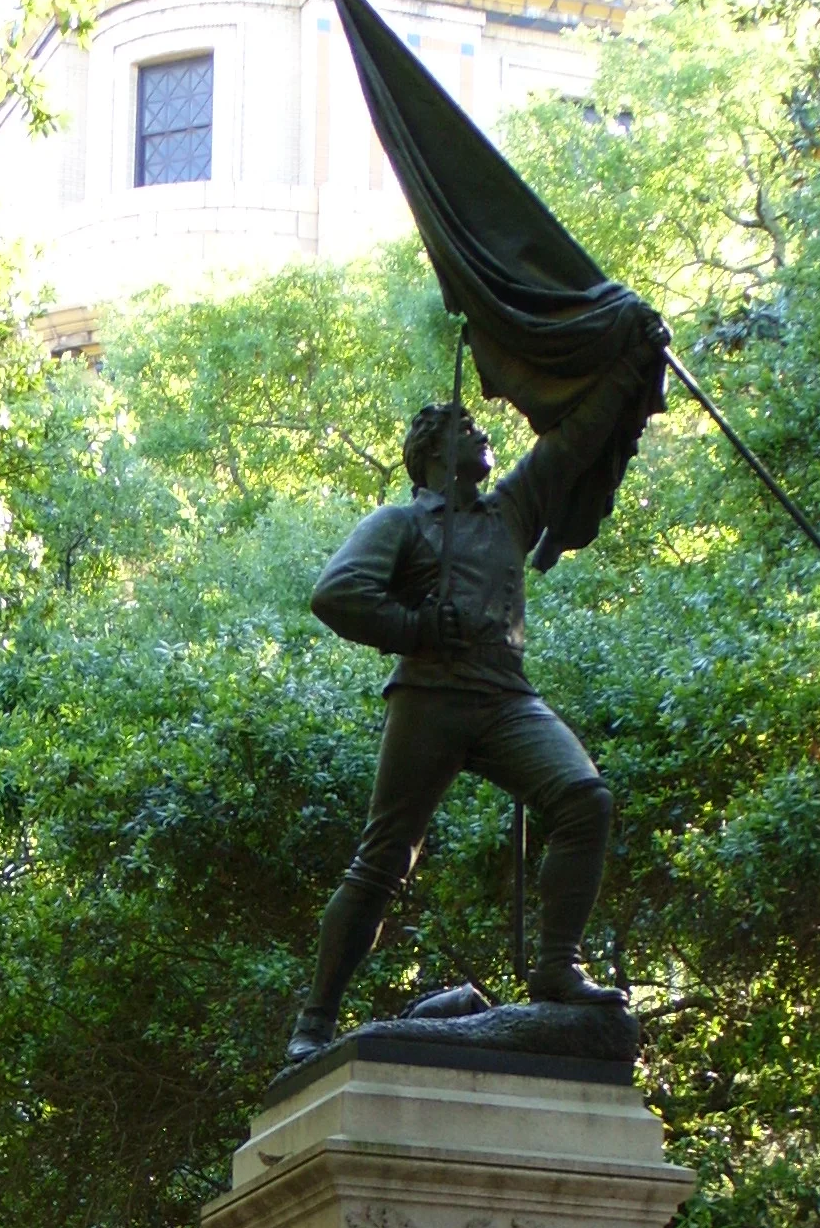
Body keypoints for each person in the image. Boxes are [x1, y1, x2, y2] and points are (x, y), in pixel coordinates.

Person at [285, 308, 667, 1065]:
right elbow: (337, 594)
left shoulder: (512, 509)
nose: (481, 433)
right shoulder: (402, 522)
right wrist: (421, 626)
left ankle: (558, 967)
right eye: (464, 426)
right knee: (385, 860)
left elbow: (576, 440)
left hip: (504, 696)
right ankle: (316, 1021)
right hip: (429, 695)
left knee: (584, 799)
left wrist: (631, 362)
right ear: (430, 452)